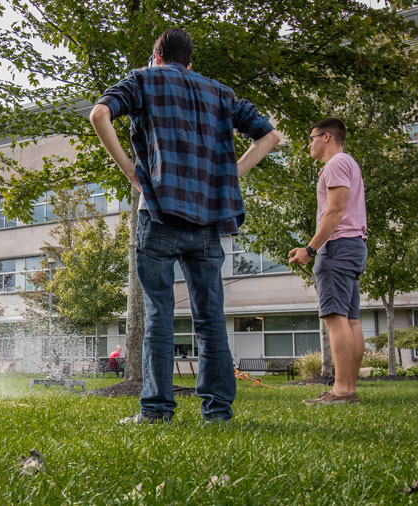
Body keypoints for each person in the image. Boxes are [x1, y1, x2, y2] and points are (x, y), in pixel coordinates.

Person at [91, 28, 281, 424]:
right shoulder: (220, 92)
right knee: (210, 316)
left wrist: (130, 169)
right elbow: (270, 136)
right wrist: (232, 173)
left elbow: (99, 113)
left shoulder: (143, 79)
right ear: (190, 62)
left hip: (158, 212)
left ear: (156, 56)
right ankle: (217, 411)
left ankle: (157, 411)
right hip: (208, 217)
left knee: (160, 313)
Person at [289, 118, 367, 406]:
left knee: (335, 320)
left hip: (338, 247)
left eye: (311, 138)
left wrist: (310, 248)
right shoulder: (349, 163)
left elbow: (334, 213)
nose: (309, 144)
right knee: (351, 321)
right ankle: (347, 388)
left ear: (326, 137)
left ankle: (343, 391)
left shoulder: (335, 165)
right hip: (353, 246)